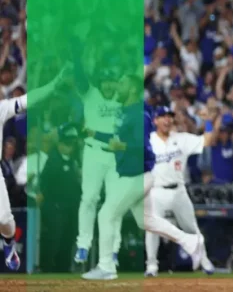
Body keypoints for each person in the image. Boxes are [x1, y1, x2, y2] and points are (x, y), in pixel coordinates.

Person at [82, 74, 206, 280]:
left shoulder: (140, 114)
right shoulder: (126, 112)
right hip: (135, 175)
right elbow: (117, 139)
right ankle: (190, 241)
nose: (118, 86)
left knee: (106, 215)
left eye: (122, 83)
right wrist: (95, 134)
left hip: (136, 175)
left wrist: (121, 146)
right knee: (146, 221)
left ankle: (106, 267)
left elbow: (142, 146)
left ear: (131, 88)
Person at [0, 66, 67, 271]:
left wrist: (53, 85)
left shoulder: (1, 108)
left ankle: (9, 243)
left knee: (5, 221)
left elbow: (29, 100)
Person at [145, 105, 216, 277]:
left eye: (169, 116)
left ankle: (205, 261)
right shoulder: (148, 140)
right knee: (152, 229)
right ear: (155, 120)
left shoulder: (182, 139)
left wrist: (208, 122)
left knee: (191, 228)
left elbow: (207, 141)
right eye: (162, 116)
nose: (167, 119)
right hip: (156, 191)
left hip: (179, 191)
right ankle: (152, 266)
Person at [71, 39, 125, 265]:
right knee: (89, 198)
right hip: (93, 153)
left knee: (115, 202)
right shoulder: (90, 93)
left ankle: (113, 249)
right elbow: (80, 77)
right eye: (106, 81)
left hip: (114, 156)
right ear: (101, 82)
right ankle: (83, 244)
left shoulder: (123, 101)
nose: (108, 85)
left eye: (112, 81)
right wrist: (76, 55)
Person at [39, 123, 82, 272]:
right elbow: (44, 182)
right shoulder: (52, 160)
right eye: (68, 143)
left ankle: (63, 269)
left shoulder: (74, 161)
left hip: (71, 208)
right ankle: (47, 268)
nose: (71, 146)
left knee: (68, 239)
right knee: (53, 239)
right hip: (55, 208)